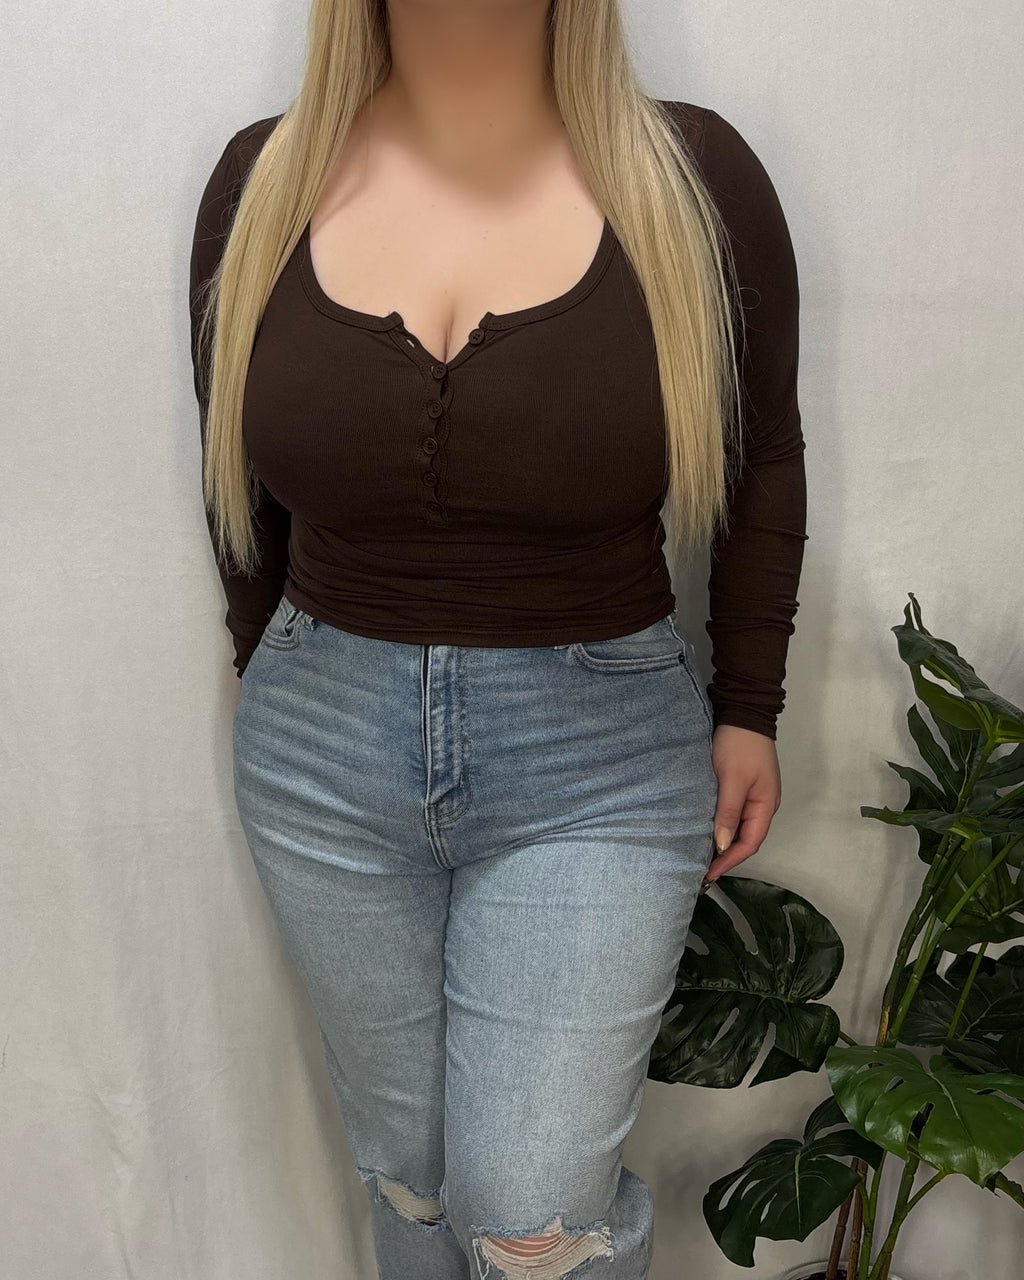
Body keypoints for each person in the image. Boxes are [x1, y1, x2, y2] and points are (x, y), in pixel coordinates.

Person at [188, 2, 807, 1275]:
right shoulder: (262, 182)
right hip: (318, 757)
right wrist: (271, 671)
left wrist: (750, 700)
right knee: (408, 1175)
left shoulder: (692, 178)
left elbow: (761, 456)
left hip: (598, 757)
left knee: (532, 1216)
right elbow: (232, 482)